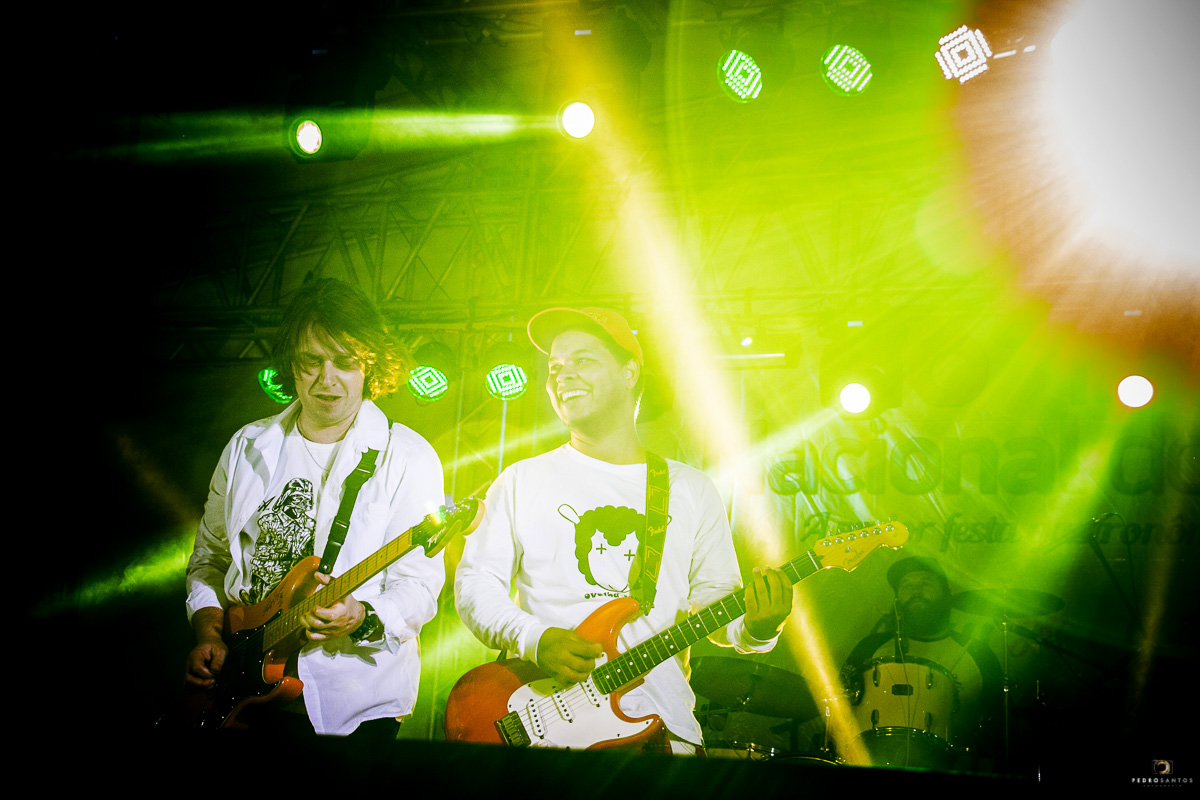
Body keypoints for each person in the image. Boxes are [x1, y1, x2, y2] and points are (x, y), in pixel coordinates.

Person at [454, 307, 793, 753]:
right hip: (545, 732)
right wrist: (535, 640)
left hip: (662, 730)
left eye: (583, 360)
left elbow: (717, 605)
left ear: (629, 372)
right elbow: (475, 585)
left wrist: (760, 628)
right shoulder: (521, 480)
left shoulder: (689, 488)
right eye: (554, 367)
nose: (563, 375)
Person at [184, 278, 446, 736]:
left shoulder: (407, 455)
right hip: (240, 689)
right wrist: (208, 632)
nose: (327, 379)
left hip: (354, 701)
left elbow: (419, 588)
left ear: (370, 365)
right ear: (292, 363)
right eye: (311, 361)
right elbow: (210, 559)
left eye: (344, 362)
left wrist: (360, 616)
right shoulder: (247, 445)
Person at [839, 556, 1002, 769]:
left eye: (926, 583)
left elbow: (998, 723)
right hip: (872, 764)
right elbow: (839, 699)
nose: (916, 591)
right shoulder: (870, 646)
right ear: (897, 599)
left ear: (946, 594)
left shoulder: (979, 654)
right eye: (906, 586)